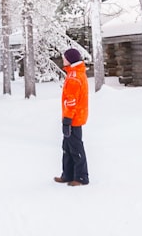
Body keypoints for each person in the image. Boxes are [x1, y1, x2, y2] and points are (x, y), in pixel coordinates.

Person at [54, 48, 89, 186]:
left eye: (65, 58)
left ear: (71, 59)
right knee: (67, 147)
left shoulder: (74, 77)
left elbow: (71, 101)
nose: (63, 59)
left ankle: (81, 177)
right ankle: (68, 175)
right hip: (75, 116)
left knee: (75, 148)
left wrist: (67, 120)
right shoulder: (76, 73)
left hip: (74, 118)